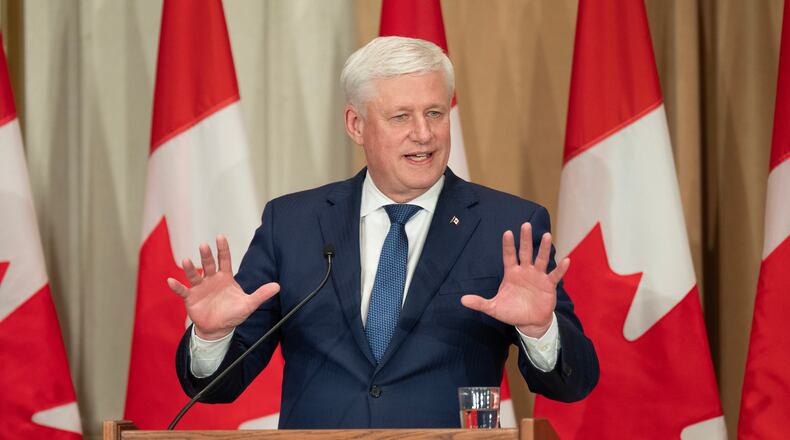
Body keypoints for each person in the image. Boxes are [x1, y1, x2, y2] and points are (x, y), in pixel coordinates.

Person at [171, 36, 598, 429]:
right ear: (356, 125)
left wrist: (541, 331)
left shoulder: (506, 226)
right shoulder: (293, 223)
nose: (424, 134)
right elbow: (219, 386)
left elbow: (572, 384)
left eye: (435, 113)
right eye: (401, 117)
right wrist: (212, 337)